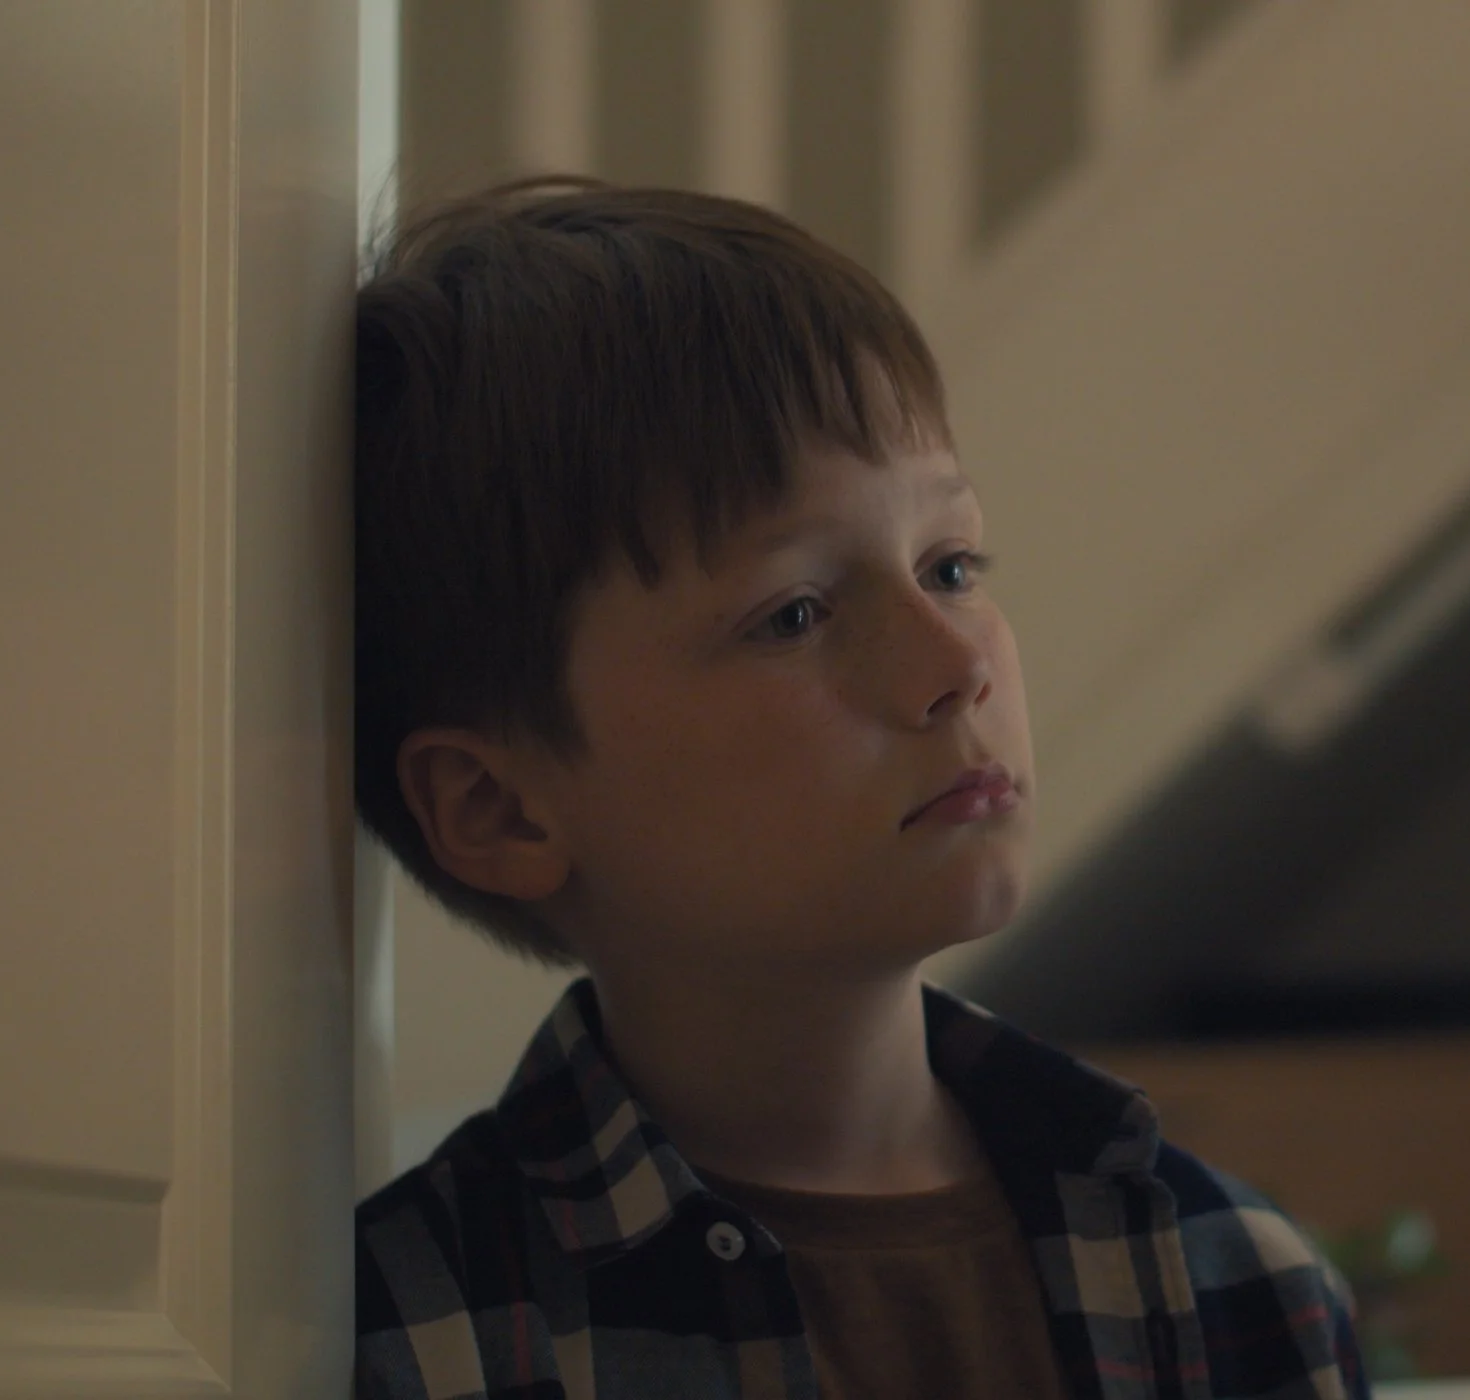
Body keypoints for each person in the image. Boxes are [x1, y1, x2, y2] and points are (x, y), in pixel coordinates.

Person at [351, 178, 1367, 1400]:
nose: (955, 665)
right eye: (792, 613)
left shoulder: (1240, 1282)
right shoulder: (414, 1341)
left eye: (952, 564)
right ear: (500, 807)